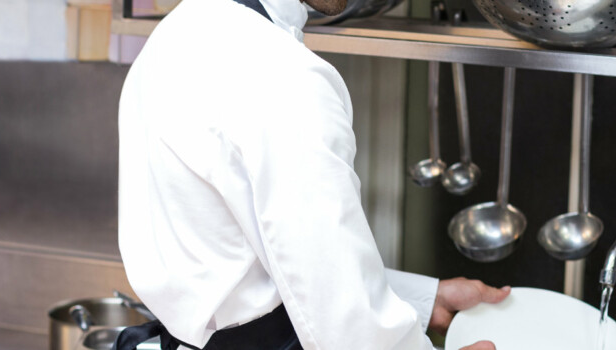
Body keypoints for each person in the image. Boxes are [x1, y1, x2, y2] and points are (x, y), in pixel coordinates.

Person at [114, 0, 509, 347]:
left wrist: (425, 300)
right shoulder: (284, 76)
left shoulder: (178, 32)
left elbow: (257, 267)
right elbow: (342, 322)